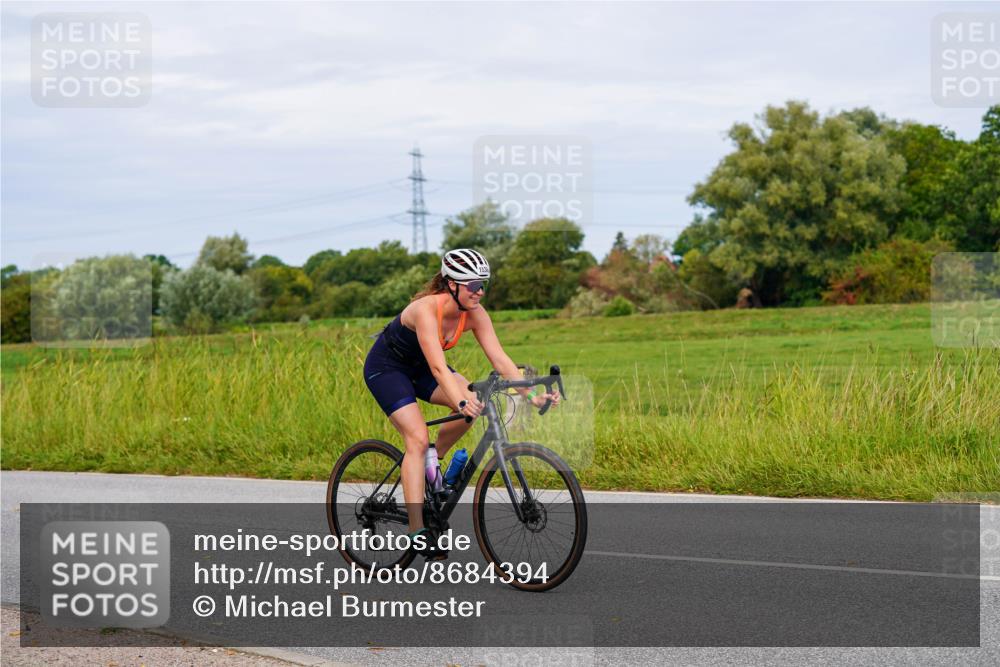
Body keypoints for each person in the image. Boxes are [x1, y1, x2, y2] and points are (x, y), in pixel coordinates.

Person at [363, 248, 559, 559]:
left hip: (421, 369)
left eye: (484, 285)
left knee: (475, 402)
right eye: (473, 285)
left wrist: (532, 396)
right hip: (387, 369)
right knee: (417, 438)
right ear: (452, 284)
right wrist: (459, 400)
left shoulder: (475, 313)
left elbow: (500, 359)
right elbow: (439, 368)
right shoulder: (426, 309)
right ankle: (417, 530)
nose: (480, 292)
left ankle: (434, 465)